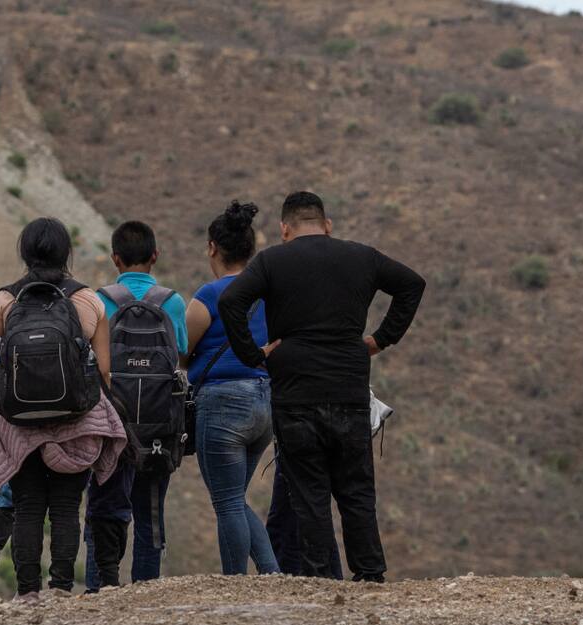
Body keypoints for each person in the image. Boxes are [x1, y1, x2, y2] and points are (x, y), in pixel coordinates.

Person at [218, 191, 425, 582]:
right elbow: (412, 284)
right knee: (356, 490)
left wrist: (254, 355)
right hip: (348, 388)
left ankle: (320, 581)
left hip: (295, 393)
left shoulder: (272, 261)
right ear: (327, 225)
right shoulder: (362, 256)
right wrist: (381, 339)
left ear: (284, 228)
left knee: (309, 495)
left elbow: (230, 301)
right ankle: (370, 575)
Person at [0, 217, 119, 602]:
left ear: (25, 252)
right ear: (66, 252)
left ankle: (28, 591)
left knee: (27, 507)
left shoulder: (5, 300)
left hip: (20, 424)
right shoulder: (89, 301)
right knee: (67, 507)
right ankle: (62, 588)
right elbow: (104, 370)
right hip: (75, 421)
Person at [85, 220, 190, 590]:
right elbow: (181, 354)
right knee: (150, 516)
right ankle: (145, 594)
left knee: (102, 511)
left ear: (115, 258)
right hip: (159, 429)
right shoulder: (172, 302)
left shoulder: (99, 300)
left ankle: (98, 590)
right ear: (155, 255)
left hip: (110, 428)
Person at [186, 201, 278, 576]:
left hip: (222, 404)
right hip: (265, 402)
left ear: (212, 248)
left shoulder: (208, 296)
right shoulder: (269, 295)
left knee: (226, 502)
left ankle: (235, 583)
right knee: (234, 499)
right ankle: (271, 573)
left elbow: (182, 350)